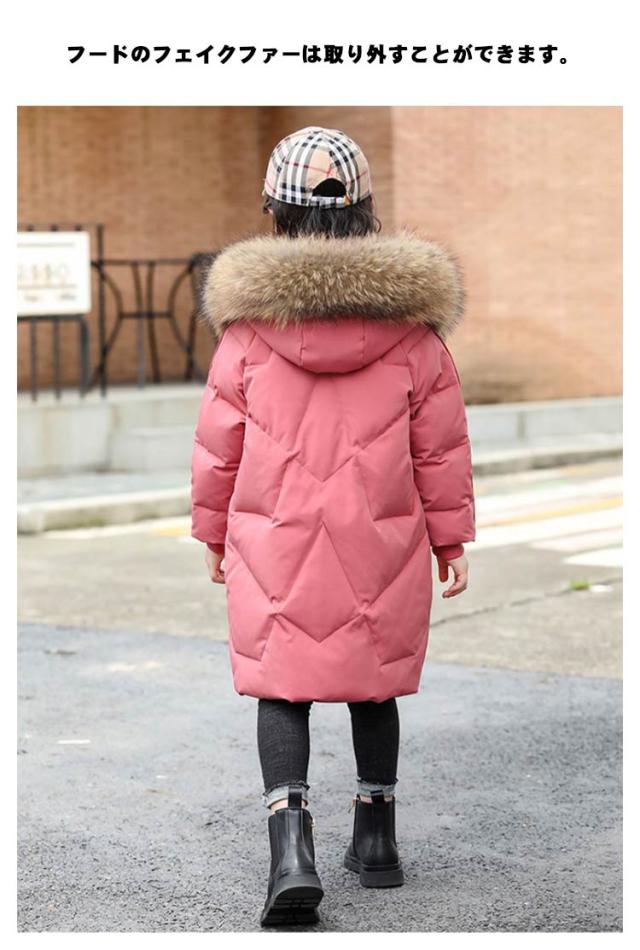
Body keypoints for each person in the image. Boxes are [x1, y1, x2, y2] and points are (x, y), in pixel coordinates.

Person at [191, 126, 475, 927]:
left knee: (281, 686)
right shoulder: (415, 334)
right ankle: (376, 842)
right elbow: (440, 446)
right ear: (365, 210)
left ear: (275, 212)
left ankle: (291, 853)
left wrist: (211, 532)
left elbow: (218, 444)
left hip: (273, 540)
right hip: (379, 540)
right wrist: (450, 539)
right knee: (371, 679)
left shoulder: (247, 332)